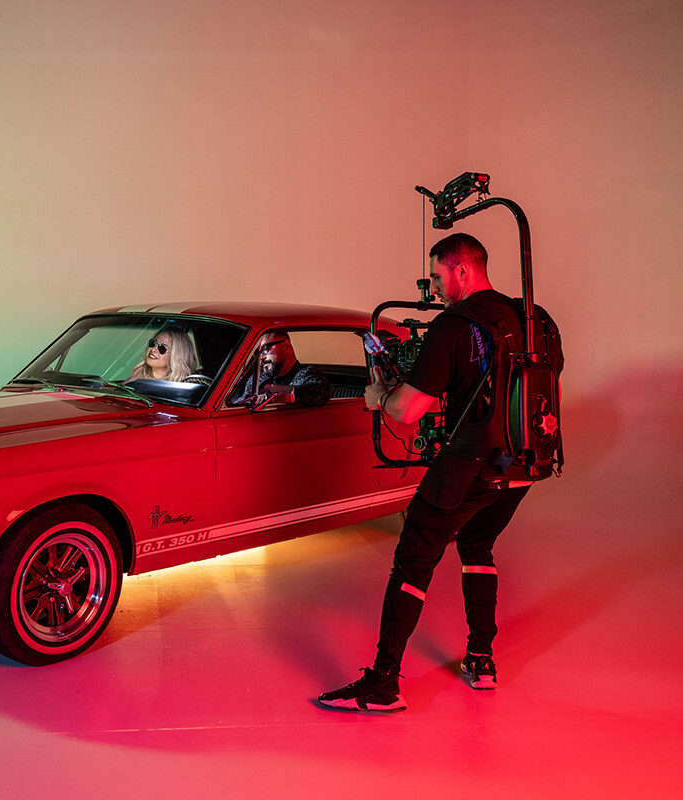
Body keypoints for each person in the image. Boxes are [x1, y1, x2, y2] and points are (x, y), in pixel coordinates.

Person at [317, 232, 562, 713]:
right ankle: (482, 661)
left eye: (436, 276)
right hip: (524, 464)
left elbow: (408, 411)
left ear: (462, 270)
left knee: (412, 560)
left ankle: (383, 684)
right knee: (477, 545)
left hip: (470, 465)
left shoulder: (453, 326)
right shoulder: (533, 319)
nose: (433, 288)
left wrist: (380, 397)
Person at [228, 331, 330, 407]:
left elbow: (320, 392)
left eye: (265, 349)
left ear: (286, 346)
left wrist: (273, 396)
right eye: (258, 352)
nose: (261, 357)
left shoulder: (309, 373)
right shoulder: (257, 380)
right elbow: (240, 404)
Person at [128, 327, 200, 382]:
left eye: (162, 348)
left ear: (177, 356)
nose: (153, 349)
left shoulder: (183, 387)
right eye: (153, 343)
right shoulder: (135, 379)